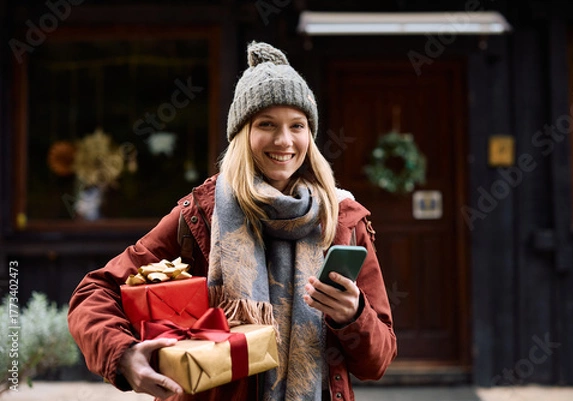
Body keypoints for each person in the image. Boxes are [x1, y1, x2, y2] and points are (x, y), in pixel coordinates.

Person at [68, 41, 397, 401]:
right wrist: (124, 355)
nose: (284, 140)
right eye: (266, 124)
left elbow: (376, 363)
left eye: (297, 125)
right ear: (242, 133)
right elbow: (93, 293)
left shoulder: (343, 220)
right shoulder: (201, 215)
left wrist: (354, 316)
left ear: (310, 134)